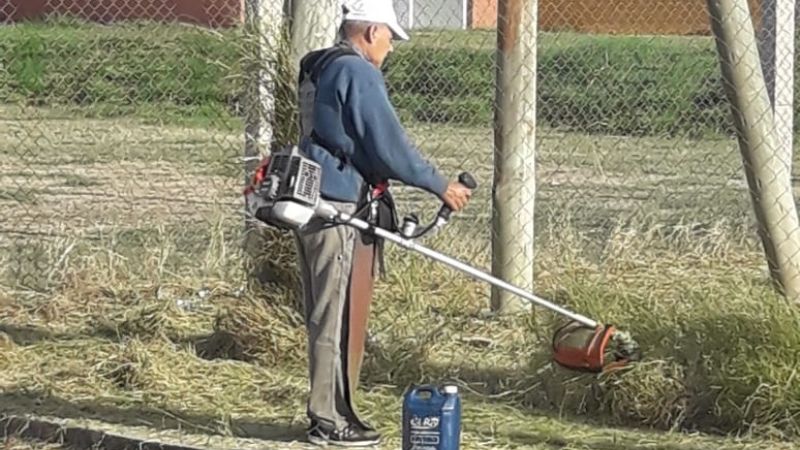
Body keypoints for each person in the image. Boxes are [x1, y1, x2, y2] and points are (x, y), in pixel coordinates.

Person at [293, 0, 472, 446]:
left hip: (314, 199)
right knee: (334, 316)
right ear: (371, 31)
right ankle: (329, 420)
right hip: (337, 207)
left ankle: (334, 412)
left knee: (326, 312)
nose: (390, 48)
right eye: (390, 38)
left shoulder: (318, 63)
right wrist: (439, 185)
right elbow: (388, 144)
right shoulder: (357, 72)